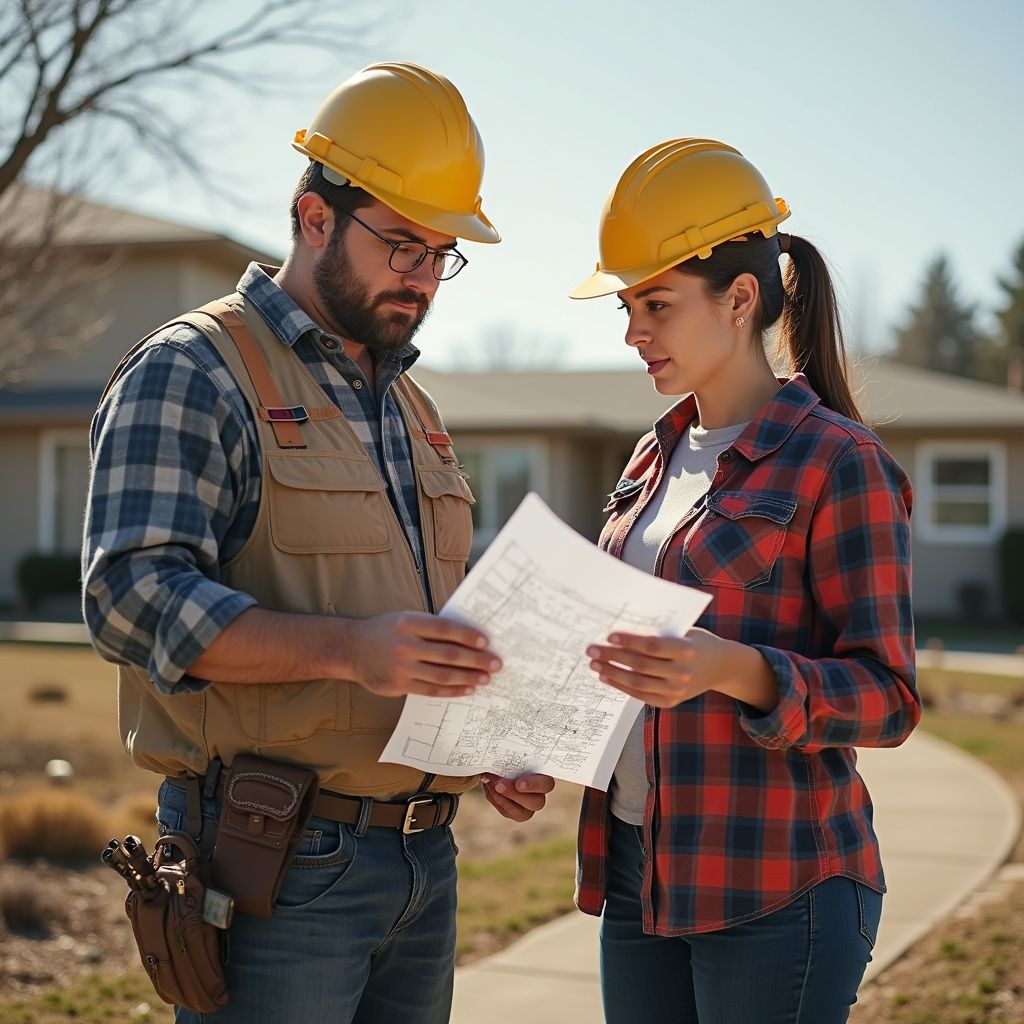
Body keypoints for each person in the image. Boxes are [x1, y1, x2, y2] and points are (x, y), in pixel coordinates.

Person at [82, 61, 553, 1024]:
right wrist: (349, 648)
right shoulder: (195, 371)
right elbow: (129, 596)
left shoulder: (412, 410)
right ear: (313, 218)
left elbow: (415, 634)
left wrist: (485, 746)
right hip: (271, 859)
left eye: (441, 254)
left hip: (423, 858)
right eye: (402, 247)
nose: (422, 278)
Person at [569, 139, 921, 1023]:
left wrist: (733, 669)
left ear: (738, 298)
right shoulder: (653, 453)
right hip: (637, 874)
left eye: (654, 303)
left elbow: (887, 697)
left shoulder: (839, 461)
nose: (631, 330)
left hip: (777, 886)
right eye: (625, 305)